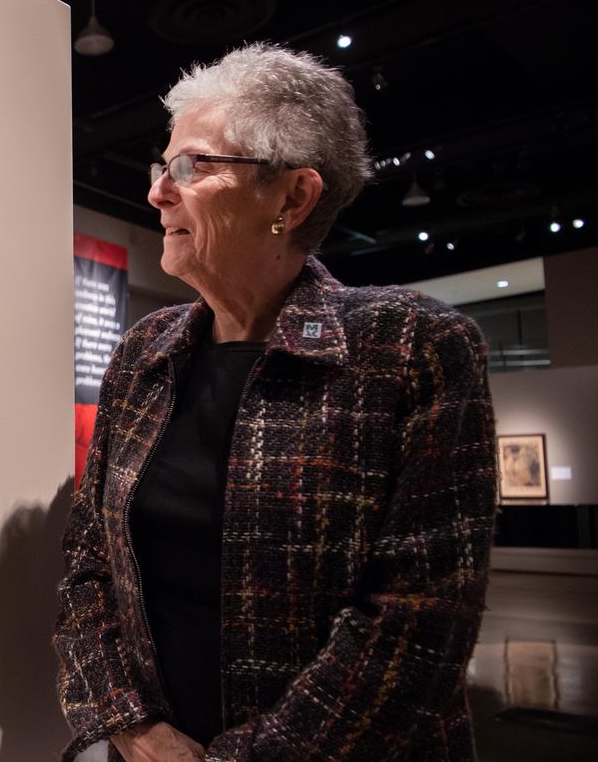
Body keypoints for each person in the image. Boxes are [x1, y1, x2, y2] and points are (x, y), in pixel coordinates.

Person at [53, 43, 498, 762]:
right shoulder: (146, 354)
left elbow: (418, 624)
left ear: (292, 198)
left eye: (192, 166)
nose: (158, 192)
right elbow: (87, 563)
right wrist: (130, 726)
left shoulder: (412, 346)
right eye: (162, 167)